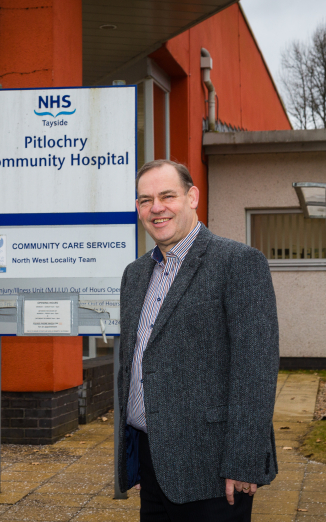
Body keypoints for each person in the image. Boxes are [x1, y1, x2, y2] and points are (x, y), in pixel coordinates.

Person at [117, 159, 279, 522]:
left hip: (214, 468)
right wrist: (135, 460)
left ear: (192, 197)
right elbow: (135, 363)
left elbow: (256, 369)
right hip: (151, 461)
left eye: (167, 196)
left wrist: (244, 461)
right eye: (145, 200)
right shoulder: (135, 274)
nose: (156, 208)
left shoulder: (238, 262)